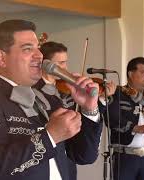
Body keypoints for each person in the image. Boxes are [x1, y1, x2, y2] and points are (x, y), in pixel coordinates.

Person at [0, 19, 100, 180]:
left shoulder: (46, 100)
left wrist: (89, 109)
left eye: (38, 49)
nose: (39, 55)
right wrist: (49, 137)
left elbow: (84, 156)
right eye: (27, 49)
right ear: (1, 58)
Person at [33, 41, 103, 180]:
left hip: (68, 166)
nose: (65, 68)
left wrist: (90, 109)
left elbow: (83, 147)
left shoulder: (69, 91)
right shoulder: (32, 92)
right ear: (45, 64)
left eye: (65, 62)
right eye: (59, 63)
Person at [99, 57, 144, 180]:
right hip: (125, 157)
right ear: (130, 74)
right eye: (143, 72)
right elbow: (112, 118)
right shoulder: (117, 93)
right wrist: (135, 128)